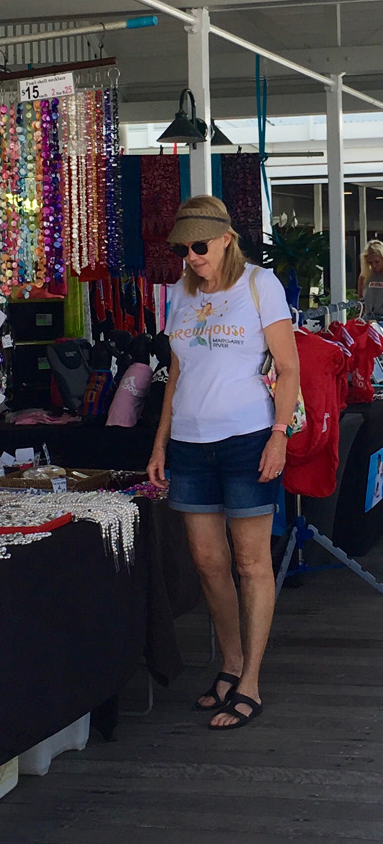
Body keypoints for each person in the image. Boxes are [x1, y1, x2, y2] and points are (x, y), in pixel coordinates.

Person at [147, 196, 300, 731]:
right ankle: (230, 664)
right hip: (190, 444)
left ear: (226, 239)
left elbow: (288, 367)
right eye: (183, 249)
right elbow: (177, 375)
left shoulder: (260, 285)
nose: (191, 257)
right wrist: (160, 443)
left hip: (247, 438)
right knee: (208, 563)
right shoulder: (180, 294)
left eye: (199, 246)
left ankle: (250, 679)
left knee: (252, 562)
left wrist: (279, 435)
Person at [357, 239, 383, 316]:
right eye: (370, 262)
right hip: (368, 316)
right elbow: (360, 301)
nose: (374, 265)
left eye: (377, 262)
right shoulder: (365, 275)